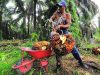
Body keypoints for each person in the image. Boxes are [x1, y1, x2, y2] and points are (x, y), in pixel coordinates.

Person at [49, 0, 88, 71]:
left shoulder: (67, 15)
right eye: (58, 6)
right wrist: (51, 20)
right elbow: (52, 17)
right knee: (57, 48)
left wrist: (60, 25)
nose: (59, 7)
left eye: (60, 6)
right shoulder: (57, 13)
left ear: (64, 7)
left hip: (64, 33)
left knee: (72, 48)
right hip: (57, 34)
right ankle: (58, 66)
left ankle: (81, 62)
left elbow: (68, 25)